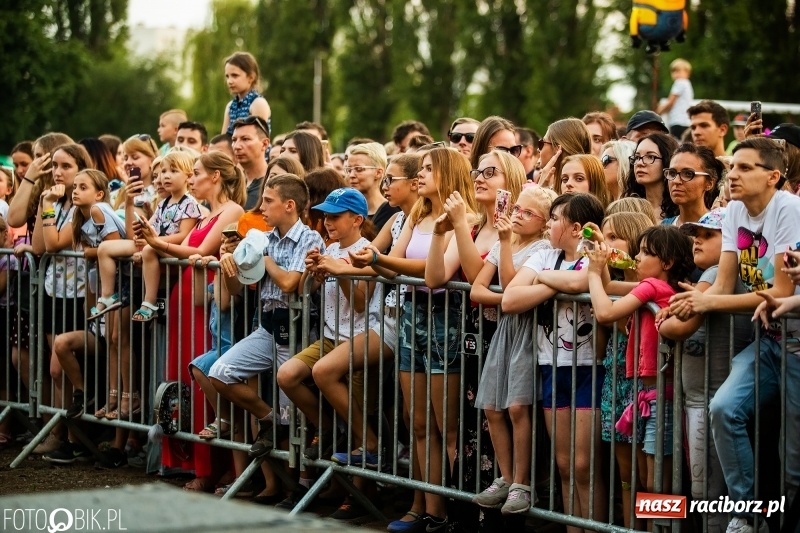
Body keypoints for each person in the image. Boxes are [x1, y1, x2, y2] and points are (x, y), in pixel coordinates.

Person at [670, 137, 800, 533]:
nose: (735, 175)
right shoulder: (733, 213)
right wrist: (700, 298)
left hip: (796, 342)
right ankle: (745, 514)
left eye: (746, 168)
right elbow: (725, 285)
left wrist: (706, 304)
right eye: (734, 167)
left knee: (792, 463)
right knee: (723, 409)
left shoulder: (789, 209)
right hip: (767, 342)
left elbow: (780, 293)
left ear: (773, 176)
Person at [364, 147, 478, 531]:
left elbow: (435, 274)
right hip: (413, 314)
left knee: (447, 426)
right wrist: (378, 260)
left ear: (448, 173)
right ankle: (431, 510)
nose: (421, 175)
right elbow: (397, 263)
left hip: (446, 318)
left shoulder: (466, 218)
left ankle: (453, 513)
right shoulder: (417, 212)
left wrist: (375, 260)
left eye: (429, 168)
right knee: (417, 422)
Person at [137, 150, 245, 491]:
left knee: (202, 380)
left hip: (206, 305)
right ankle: (185, 462)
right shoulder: (203, 214)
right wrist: (152, 239)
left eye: (197, 173)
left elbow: (200, 251)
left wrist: (156, 243)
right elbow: (182, 246)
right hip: (188, 297)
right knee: (182, 380)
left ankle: (212, 467)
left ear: (215, 176)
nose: (193, 178)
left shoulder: (232, 210)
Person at [502, 192, 607, 532]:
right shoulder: (545, 255)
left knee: (583, 465)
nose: (548, 223)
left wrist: (542, 280)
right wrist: (554, 285)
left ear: (576, 228)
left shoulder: (595, 255)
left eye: (555, 218)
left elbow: (581, 281)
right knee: (564, 465)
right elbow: (511, 298)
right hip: (551, 367)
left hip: (589, 369)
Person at [588, 225, 693, 521]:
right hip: (649, 394)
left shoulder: (652, 288)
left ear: (667, 263)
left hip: (661, 396)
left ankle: (670, 527)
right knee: (651, 481)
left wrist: (593, 273)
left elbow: (606, 312)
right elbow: (610, 289)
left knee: (658, 484)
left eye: (646, 251)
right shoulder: (658, 286)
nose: (637, 255)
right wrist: (601, 261)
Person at [658, 207, 752, 533]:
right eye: (695, 235)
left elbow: (676, 328)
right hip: (701, 401)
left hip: (707, 403)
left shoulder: (714, 274)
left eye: (708, 235)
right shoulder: (706, 277)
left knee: (708, 495)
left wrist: (667, 316)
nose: (697, 241)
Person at [470, 186, 556, 515]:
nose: (517, 215)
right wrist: (508, 302)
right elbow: (479, 288)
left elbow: (510, 285)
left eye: (527, 213)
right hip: (508, 327)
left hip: (530, 329)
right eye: (516, 209)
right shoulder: (502, 244)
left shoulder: (543, 247)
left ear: (545, 222)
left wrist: (510, 295)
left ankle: (522, 482)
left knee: (518, 407)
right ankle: (505, 478)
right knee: (493, 407)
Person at [586, 211, 654, 530]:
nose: (607, 244)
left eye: (614, 237)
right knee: (626, 476)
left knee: (653, 478)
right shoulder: (612, 284)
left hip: (647, 389)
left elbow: (611, 316)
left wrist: (599, 264)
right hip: (616, 380)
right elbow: (602, 342)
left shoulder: (648, 285)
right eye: (605, 236)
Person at [95, 151, 202, 322]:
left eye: (173, 171)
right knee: (105, 248)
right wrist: (142, 230)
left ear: (188, 177)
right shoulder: (162, 203)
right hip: (152, 243)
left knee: (150, 250)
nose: (165, 176)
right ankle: (107, 296)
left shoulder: (190, 204)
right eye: (163, 172)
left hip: (165, 248)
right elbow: (150, 226)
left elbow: (183, 236)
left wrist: (153, 241)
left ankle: (149, 302)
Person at [62, 169, 126, 420]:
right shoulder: (79, 215)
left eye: (83, 187)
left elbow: (111, 246)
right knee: (109, 342)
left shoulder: (99, 209)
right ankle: (108, 399)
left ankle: (120, 401)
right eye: (74, 186)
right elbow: (87, 248)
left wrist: (91, 252)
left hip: (121, 285)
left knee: (116, 341)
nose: (75, 190)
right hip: (99, 286)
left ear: (99, 193)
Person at [661, 143, 723, 227]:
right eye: (672, 173)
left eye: (688, 174)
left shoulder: (721, 226)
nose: (676, 181)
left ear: (709, 183)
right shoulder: (664, 228)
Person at [622, 133, 679, 223]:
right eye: (637, 157)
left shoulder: (681, 210)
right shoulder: (626, 209)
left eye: (650, 157)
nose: (640, 163)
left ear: (667, 161)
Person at [346, 142, 399, 230]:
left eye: (359, 169)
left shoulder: (392, 212)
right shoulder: (345, 210)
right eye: (348, 170)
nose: (351, 175)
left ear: (378, 173)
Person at [222, 52, 271, 136]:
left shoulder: (258, 103)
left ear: (251, 77)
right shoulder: (231, 106)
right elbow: (223, 138)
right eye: (227, 76)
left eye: (235, 75)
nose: (229, 81)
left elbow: (256, 139)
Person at [536, 117, 592, 189]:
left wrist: (540, 191)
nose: (538, 149)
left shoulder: (570, 192)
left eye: (541, 143)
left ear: (557, 149)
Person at [231, 116, 270, 210]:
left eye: (245, 139)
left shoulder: (272, 185)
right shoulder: (230, 183)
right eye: (234, 140)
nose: (237, 146)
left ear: (264, 144)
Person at [656, 59, 694, 139]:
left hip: (678, 121)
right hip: (686, 121)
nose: (676, 74)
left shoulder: (679, 82)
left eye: (679, 71)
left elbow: (670, 102)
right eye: (674, 72)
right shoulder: (688, 84)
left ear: (687, 72)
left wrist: (658, 112)